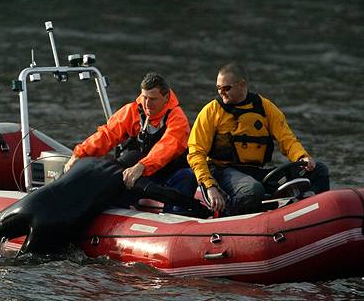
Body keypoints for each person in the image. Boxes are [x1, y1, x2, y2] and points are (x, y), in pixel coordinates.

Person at [187, 62, 330, 216]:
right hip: (223, 171)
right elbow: (196, 153)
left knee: (319, 170)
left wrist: (302, 157)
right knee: (253, 190)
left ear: (242, 85)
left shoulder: (265, 107)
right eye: (218, 88)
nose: (221, 92)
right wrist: (210, 186)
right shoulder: (211, 111)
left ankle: (308, 212)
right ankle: (227, 213)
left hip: (255, 172)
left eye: (226, 88)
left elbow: (287, 139)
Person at [64, 72, 197, 212]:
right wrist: (80, 154)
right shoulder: (133, 110)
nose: (147, 104)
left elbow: (168, 146)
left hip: (167, 172)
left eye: (153, 99)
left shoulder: (177, 118)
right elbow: (107, 134)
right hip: (141, 173)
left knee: (187, 176)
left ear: (166, 97)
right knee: (124, 169)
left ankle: (175, 216)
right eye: (145, 97)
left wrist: (142, 166)